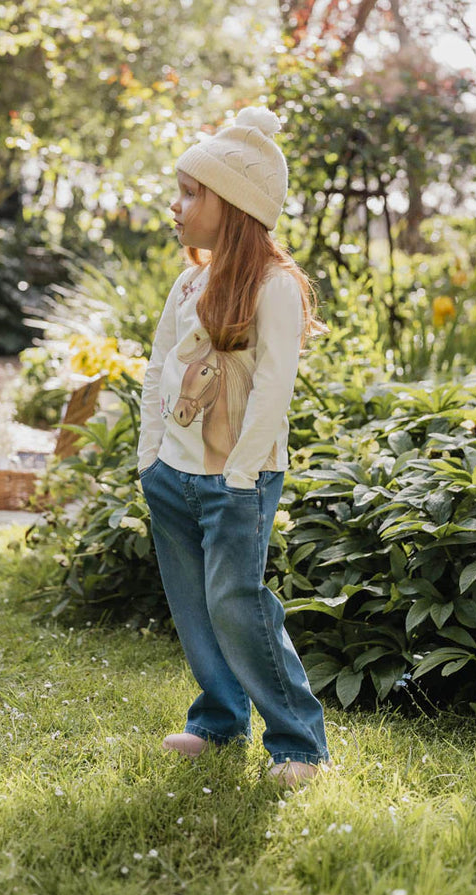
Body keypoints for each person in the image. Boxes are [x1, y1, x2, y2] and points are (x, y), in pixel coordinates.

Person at [137, 106, 331, 787]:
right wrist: (149, 456)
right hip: (173, 474)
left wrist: (242, 475)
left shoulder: (274, 286)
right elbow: (161, 365)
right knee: (194, 606)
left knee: (235, 602)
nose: (177, 205)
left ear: (236, 205)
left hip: (236, 481)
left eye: (191, 193)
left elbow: (275, 385)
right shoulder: (189, 281)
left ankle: (299, 742)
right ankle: (218, 725)